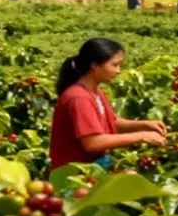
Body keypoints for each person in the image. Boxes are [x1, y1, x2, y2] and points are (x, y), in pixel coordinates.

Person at [49, 38, 168, 171]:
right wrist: (141, 136)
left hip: (94, 165)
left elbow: (112, 122)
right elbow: (92, 143)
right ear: (94, 65)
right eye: (114, 65)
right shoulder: (79, 98)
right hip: (75, 173)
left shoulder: (95, 92)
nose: (118, 71)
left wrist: (145, 125)